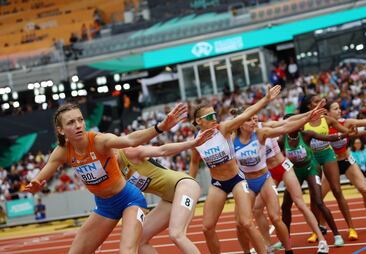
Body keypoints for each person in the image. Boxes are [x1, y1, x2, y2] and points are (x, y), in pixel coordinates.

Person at [24, 102, 186, 254]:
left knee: (127, 250)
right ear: (60, 130)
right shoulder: (62, 151)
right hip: (105, 206)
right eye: (71, 122)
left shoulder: (99, 141)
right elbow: (40, 177)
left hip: (130, 200)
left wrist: (160, 127)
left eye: (80, 120)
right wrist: (36, 184)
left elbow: (130, 140)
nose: (78, 125)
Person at [189, 85, 281, 254]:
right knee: (207, 228)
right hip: (217, 184)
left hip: (237, 180)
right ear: (198, 122)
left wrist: (266, 99)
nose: (214, 118)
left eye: (214, 114)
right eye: (209, 116)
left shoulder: (223, 129)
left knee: (246, 222)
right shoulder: (196, 141)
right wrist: (189, 184)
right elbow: (194, 163)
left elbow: (246, 114)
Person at [233, 104, 328, 254]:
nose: (253, 119)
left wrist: (309, 115)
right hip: (268, 174)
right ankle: (268, 245)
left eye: (254, 117)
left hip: (283, 167)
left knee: (300, 203)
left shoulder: (263, 127)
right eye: (250, 117)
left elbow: (287, 124)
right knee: (257, 210)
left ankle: (322, 240)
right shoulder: (239, 136)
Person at [117, 128, 214, 254]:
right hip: (169, 199)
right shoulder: (115, 172)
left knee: (176, 234)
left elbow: (162, 150)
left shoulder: (129, 152)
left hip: (184, 185)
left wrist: (192, 143)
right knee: (138, 239)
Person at [280, 114, 348, 247]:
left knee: (318, 201)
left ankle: (337, 235)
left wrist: (346, 134)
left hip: (311, 168)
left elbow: (328, 138)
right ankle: (285, 239)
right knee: (285, 205)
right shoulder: (282, 140)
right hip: (295, 172)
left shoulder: (306, 134)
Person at [324, 100, 366, 232]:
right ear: (327, 112)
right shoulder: (322, 126)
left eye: (339, 108)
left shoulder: (346, 122)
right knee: (318, 198)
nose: (339, 111)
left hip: (346, 160)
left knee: (364, 189)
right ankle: (321, 225)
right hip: (330, 163)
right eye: (335, 109)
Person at [300, 94, 358, 242]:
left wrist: (356, 132)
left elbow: (345, 131)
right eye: (315, 101)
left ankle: (351, 228)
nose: (320, 103)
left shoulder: (326, 119)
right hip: (311, 158)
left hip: (327, 154)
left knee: (337, 190)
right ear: (309, 106)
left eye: (321, 101)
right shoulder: (302, 122)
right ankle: (316, 230)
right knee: (315, 195)